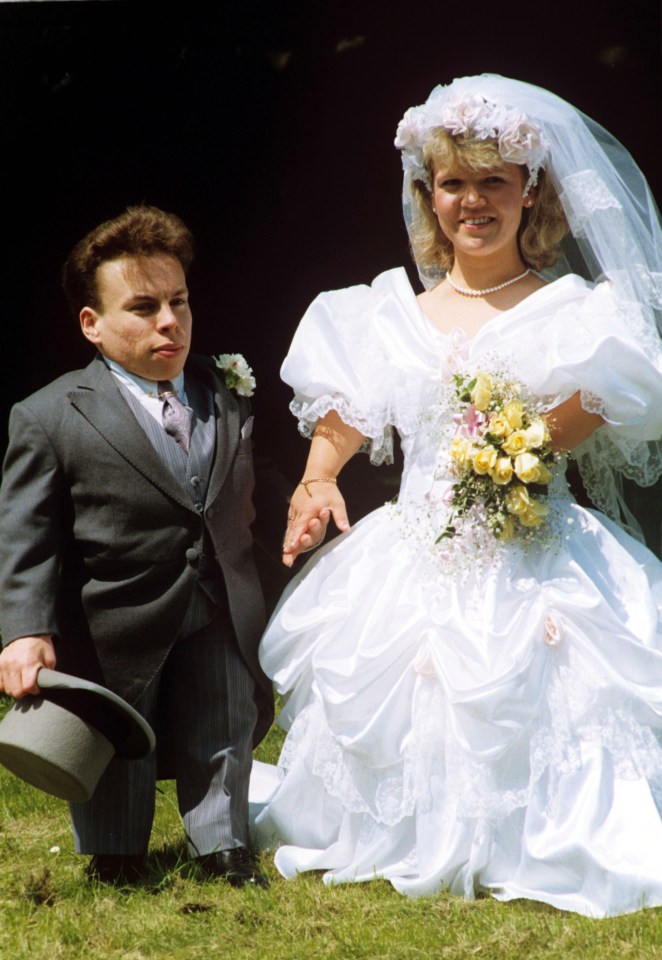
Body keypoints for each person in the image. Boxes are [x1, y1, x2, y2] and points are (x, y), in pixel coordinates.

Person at [254, 76, 662, 917]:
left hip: (536, 547)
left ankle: (556, 835)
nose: (471, 201)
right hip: (417, 548)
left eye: (492, 182)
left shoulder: (576, 309)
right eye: (452, 183)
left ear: (529, 192)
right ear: (426, 194)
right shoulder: (381, 313)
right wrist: (318, 476)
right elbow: (348, 412)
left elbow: (611, 391)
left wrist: (533, 441)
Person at [0, 205, 325, 886]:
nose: (169, 321)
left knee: (225, 721)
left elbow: (247, 483)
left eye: (177, 301)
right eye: (143, 308)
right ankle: (117, 852)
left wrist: (294, 510)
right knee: (121, 734)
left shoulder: (223, 388)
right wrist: (25, 629)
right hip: (118, 613)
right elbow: (28, 532)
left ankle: (223, 846)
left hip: (221, 599)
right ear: (92, 324)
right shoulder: (52, 414)